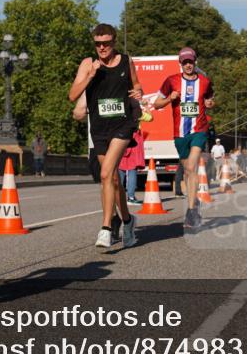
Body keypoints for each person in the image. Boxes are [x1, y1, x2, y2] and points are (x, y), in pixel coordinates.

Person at [69, 23, 141, 248]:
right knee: (113, 179)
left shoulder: (126, 61)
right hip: (99, 128)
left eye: (106, 43)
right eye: (98, 44)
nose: (102, 47)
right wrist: (90, 76)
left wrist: (138, 91)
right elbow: (72, 95)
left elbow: (137, 84)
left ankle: (106, 228)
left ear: (114, 42)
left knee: (105, 173)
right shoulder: (88, 64)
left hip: (122, 125)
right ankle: (127, 221)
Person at [153, 47, 215, 228]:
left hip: (199, 130)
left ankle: (191, 211)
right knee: (188, 171)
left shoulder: (204, 81)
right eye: (185, 62)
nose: (188, 65)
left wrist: (210, 103)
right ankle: (194, 203)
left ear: (195, 62)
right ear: (180, 63)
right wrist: (169, 99)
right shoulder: (171, 81)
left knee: (192, 166)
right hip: (179, 134)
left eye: (191, 62)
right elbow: (156, 104)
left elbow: (210, 100)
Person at [119, 126, 145, 205]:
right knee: (132, 171)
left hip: (121, 142)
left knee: (120, 172)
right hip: (133, 145)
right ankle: (131, 197)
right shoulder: (135, 127)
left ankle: (117, 197)